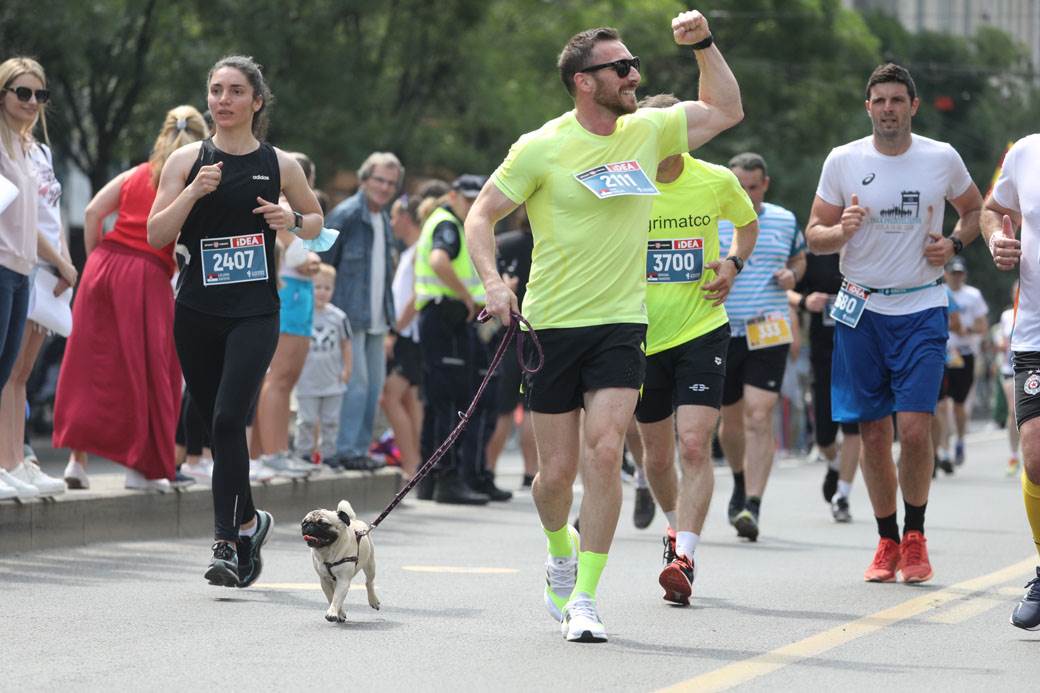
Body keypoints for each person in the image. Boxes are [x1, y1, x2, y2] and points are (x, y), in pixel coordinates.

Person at [466, 11, 743, 643]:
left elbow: (725, 109)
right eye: (621, 68)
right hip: (552, 324)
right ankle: (560, 547)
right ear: (584, 82)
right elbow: (481, 214)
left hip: (622, 322)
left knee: (605, 452)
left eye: (635, 64)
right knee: (553, 477)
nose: (634, 75)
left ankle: (586, 596)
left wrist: (702, 44)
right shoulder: (542, 146)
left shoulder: (647, 130)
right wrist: (493, 283)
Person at [148, 55, 323, 587]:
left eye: (235, 91)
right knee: (217, 426)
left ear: (256, 101)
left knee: (228, 420)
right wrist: (193, 192)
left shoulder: (280, 164)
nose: (222, 100)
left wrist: (291, 219)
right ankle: (250, 519)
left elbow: (319, 225)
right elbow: (156, 235)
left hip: (254, 312)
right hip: (196, 311)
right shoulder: (187, 161)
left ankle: (226, 540)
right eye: (216, 90)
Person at [806, 63, 982, 584]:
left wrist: (952, 244)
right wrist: (840, 230)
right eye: (879, 100)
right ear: (868, 108)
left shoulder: (939, 157)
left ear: (913, 106)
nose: (888, 109)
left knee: (914, 425)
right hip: (861, 308)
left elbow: (973, 211)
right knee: (873, 432)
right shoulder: (843, 160)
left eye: (896, 100)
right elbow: (814, 233)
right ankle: (886, 540)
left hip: (922, 306)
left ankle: (916, 534)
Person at [633, 92, 758, 605]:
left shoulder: (714, 179)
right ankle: (672, 529)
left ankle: (685, 554)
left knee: (692, 444)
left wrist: (732, 264)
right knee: (656, 456)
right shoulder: (625, 183)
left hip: (701, 327)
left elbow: (746, 225)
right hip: (638, 333)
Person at [53, 105, 208, 493]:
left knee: (89, 364)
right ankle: (141, 469)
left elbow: (92, 212)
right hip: (147, 274)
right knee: (150, 370)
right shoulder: (192, 184)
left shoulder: (136, 173)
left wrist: (94, 264)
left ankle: (77, 460)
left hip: (103, 265)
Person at [718, 152, 806, 541]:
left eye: (753, 187)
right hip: (720, 327)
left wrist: (792, 274)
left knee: (759, 415)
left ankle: (752, 503)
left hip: (768, 326)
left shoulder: (784, 219)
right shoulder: (713, 218)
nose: (746, 194)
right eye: (739, 187)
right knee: (730, 419)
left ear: (764, 184)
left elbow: (799, 259)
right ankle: (739, 481)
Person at [0, 57, 71, 500]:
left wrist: (59, 260)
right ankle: (8, 462)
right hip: (4, 263)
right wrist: (62, 262)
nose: (31, 101)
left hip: (24, 267)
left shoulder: (29, 147)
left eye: (38, 94)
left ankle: (11, 462)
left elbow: (38, 219)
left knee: (12, 370)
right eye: (22, 92)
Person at [416, 175, 508, 504]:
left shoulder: (443, 221)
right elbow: (439, 261)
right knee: (453, 404)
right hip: (447, 317)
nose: (471, 205)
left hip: (438, 318)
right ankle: (447, 479)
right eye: (467, 199)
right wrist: (466, 297)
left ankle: (429, 480)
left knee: (438, 402)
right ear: (453, 196)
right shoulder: (450, 225)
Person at [982, 133, 1040, 629]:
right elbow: (990, 209)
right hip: (1035, 332)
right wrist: (998, 240)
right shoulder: (1026, 151)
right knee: (1037, 455)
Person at [321, 151, 402, 470]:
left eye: (391, 183)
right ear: (364, 179)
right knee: (355, 384)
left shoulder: (383, 217)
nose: (384, 188)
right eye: (379, 180)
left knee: (373, 387)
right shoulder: (347, 215)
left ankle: (360, 448)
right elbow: (324, 264)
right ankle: (346, 450)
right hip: (349, 315)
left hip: (378, 316)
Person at [253, 151, 323, 478]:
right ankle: (273, 452)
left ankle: (276, 449)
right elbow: (291, 253)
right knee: (278, 377)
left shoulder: (298, 210)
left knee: (287, 378)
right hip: (288, 293)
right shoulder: (278, 203)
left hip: (301, 294)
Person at [789, 250, 862, 523]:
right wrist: (807, 301)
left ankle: (842, 495)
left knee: (854, 426)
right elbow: (787, 292)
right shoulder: (813, 258)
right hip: (824, 356)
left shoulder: (869, 251)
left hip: (860, 354)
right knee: (824, 438)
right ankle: (834, 463)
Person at [484, 206, 537, 489]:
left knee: (503, 408)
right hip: (541, 331)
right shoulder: (549, 245)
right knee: (531, 407)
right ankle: (531, 472)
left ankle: (489, 469)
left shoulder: (506, 244)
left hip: (508, 332)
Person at [380, 195, 423, 479]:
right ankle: (417, 465)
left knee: (389, 396)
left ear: (406, 218)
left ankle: (412, 466)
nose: (392, 222)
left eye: (395, 216)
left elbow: (417, 295)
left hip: (409, 334)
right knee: (409, 399)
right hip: (408, 334)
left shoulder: (419, 250)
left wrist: (395, 331)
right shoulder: (410, 251)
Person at [294, 263, 352, 467]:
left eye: (327, 288)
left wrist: (346, 369)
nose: (322, 292)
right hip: (307, 380)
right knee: (306, 420)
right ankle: (303, 453)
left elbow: (346, 345)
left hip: (332, 380)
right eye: (317, 287)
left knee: (330, 421)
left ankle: (328, 455)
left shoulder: (339, 317)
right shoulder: (303, 313)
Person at [941, 256, 989, 467]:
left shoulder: (973, 295)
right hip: (941, 353)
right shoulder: (939, 292)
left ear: (965, 275)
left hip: (964, 353)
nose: (956, 277)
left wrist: (964, 330)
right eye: (953, 273)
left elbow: (982, 327)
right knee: (941, 404)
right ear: (946, 274)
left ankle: (959, 439)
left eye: (960, 273)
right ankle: (943, 450)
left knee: (958, 405)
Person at [995, 281, 1020, 475]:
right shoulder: (1007, 316)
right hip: (1009, 368)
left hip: (1032, 368)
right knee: (1013, 412)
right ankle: (1014, 455)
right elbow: (1002, 341)